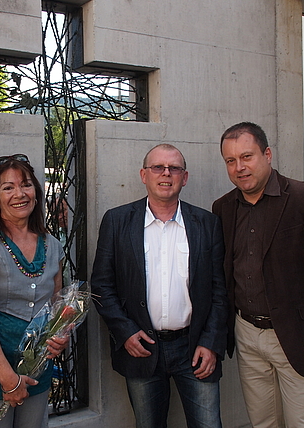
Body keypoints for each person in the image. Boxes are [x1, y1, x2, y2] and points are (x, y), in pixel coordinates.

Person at [212, 122, 304, 428]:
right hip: (246, 334)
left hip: (296, 334)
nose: (240, 167)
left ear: (267, 154)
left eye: (247, 156)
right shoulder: (223, 208)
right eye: (231, 161)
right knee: (263, 421)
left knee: (303, 423)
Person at [92, 144, 228, 428]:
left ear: (184, 177)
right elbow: (101, 285)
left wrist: (211, 343)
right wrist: (125, 332)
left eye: (174, 168)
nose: (166, 174)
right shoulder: (117, 221)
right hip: (142, 348)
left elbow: (219, 290)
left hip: (195, 348)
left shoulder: (207, 223)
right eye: (158, 167)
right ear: (144, 175)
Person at [0, 154, 68, 428]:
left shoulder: (53, 245)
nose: (19, 194)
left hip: (37, 370)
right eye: (8, 187)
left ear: (36, 192)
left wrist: (61, 335)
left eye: (26, 185)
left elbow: (58, 308)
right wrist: (8, 378)